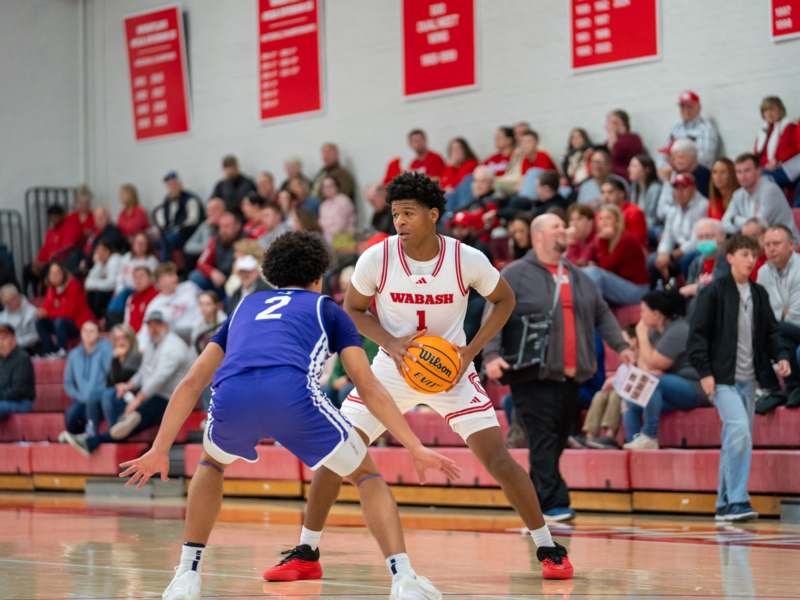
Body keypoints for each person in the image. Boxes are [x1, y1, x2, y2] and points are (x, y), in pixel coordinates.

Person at [119, 231, 463, 600]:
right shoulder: (327, 308)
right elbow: (368, 385)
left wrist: (159, 447)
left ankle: (186, 575)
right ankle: (403, 578)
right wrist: (413, 445)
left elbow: (190, 382)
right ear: (318, 277)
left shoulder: (245, 307)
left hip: (232, 396)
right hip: (291, 395)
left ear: (271, 274)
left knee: (211, 465)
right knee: (365, 476)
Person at [265, 173, 573, 582]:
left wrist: (470, 351)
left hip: (451, 372)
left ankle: (547, 546)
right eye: (395, 214)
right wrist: (390, 343)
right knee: (336, 452)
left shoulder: (466, 258)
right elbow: (354, 310)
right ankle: (307, 550)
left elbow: (504, 300)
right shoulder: (378, 257)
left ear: (432, 215)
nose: (400, 221)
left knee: (498, 458)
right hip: (392, 372)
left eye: (409, 213)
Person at [483, 213, 634, 522]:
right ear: (539, 236)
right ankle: (553, 502)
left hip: (570, 375)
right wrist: (491, 355)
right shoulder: (515, 274)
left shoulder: (579, 276)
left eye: (565, 226)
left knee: (560, 434)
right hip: (531, 372)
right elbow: (494, 314)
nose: (565, 230)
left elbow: (602, 313)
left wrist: (621, 346)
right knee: (543, 437)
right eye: (557, 226)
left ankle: (535, 501)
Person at [688, 234, 791, 521]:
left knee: (735, 437)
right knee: (740, 432)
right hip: (722, 380)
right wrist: (705, 373)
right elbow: (696, 337)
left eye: (752, 255)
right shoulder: (714, 292)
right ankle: (737, 500)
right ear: (730, 257)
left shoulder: (759, 294)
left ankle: (723, 503)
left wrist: (782, 356)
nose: (750, 260)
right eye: (744, 254)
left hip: (749, 381)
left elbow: (772, 332)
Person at [66, 311, 193, 456]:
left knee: (138, 412)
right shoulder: (155, 343)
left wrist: (138, 399)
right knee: (104, 400)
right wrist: (129, 385)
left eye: (157, 324)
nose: (153, 329)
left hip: (173, 397)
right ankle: (105, 432)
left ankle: (97, 438)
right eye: (150, 325)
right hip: (157, 395)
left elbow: (159, 378)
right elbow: (143, 372)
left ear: (166, 325)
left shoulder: (173, 346)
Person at [623, 290, 708, 449]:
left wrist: (641, 335)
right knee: (632, 399)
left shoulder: (679, 330)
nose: (641, 316)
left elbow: (654, 364)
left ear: (656, 314)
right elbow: (645, 367)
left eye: (643, 311)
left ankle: (649, 436)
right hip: (672, 386)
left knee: (652, 382)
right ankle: (634, 441)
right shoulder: (656, 332)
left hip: (695, 386)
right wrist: (646, 349)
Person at [757, 224, 800, 408]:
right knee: (755, 333)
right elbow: (762, 312)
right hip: (782, 330)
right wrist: (779, 315)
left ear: (791, 245)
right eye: (767, 245)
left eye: (776, 243)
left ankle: (792, 386)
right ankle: (774, 390)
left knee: (772, 329)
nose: (771, 249)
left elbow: (796, 313)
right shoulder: (763, 272)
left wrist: (775, 318)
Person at [583, 204, 649, 306]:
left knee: (594, 273)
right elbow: (585, 258)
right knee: (586, 272)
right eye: (600, 218)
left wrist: (601, 241)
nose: (603, 222)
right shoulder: (604, 239)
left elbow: (606, 267)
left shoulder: (625, 239)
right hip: (622, 285)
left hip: (637, 290)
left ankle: (594, 315)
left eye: (608, 218)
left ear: (618, 222)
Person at [721, 153, 799, 238]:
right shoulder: (738, 194)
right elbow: (724, 224)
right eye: (739, 172)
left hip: (786, 244)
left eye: (747, 171)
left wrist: (735, 219)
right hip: (759, 242)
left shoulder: (770, 191)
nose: (742, 176)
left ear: (759, 171)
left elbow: (756, 227)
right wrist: (746, 225)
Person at [652, 173, 708, 284]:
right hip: (676, 250)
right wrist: (663, 254)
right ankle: (663, 292)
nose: (679, 192)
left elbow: (696, 241)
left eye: (683, 187)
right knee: (652, 260)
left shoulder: (703, 206)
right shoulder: (674, 208)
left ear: (693, 189)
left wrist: (671, 256)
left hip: (696, 249)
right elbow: (667, 236)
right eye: (676, 188)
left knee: (688, 259)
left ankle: (686, 295)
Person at [61, 321, 112, 439]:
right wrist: (80, 396)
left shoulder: (106, 349)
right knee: (71, 415)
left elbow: (111, 376)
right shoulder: (74, 354)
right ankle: (78, 440)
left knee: (89, 410)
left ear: (98, 334)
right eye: (85, 331)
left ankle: (90, 439)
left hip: (99, 399)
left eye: (92, 331)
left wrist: (95, 394)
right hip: (81, 399)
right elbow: (68, 383)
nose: (88, 334)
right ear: (81, 333)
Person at [35, 262, 94, 356]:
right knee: (39, 322)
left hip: (78, 324)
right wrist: (41, 312)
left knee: (59, 321)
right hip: (60, 324)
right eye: (51, 273)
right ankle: (49, 351)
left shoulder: (73, 285)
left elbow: (69, 312)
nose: (54, 275)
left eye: (57, 272)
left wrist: (47, 313)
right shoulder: (51, 289)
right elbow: (46, 307)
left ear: (64, 273)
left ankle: (62, 350)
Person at [24, 204, 82, 292]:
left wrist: (45, 263)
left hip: (61, 261)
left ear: (62, 215)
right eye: (51, 217)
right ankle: (32, 295)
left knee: (46, 270)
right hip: (47, 261)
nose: (53, 219)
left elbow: (67, 247)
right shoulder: (50, 231)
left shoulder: (70, 226)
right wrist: (38, 261)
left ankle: (45, 296)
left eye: (56, 216)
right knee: (27, 269)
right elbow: (45, 248)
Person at [659, 90, 721, 171]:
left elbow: (705, 159)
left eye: (689, 106)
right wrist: (663, 168)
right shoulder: (676, 128)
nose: (685, 110)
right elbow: (662, 155)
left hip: (697, 175)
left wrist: (676, 164)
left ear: (699, 107)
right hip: (675, 173)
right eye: (682, 106)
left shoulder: (706, 129)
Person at [107, 232, 159, 324]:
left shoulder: (152, 261)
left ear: (147, 245)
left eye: (143, 243)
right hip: (125, 291)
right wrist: (119, 291)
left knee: (124, 294)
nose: (140, 246)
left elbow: (154, 280)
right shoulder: (126, 258)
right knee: (121, 293)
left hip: (143, 291)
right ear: (133, 244)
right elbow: (120, 278)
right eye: (138, 243)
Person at [153, 171, 204, 261]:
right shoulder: (167, 201)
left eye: (174, 185)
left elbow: (193, 221)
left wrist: (177, 228)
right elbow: (163, 218)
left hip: (186, 233)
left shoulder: (190, 199)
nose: (171, 188)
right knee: (153, 242)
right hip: (170, 232)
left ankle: (165, 266)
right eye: (169, 186)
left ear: (180, 185)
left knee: (166, 240)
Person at [189, 212, 242, 296]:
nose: (223, 231)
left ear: (237, 226)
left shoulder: (246, 240)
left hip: (238, 280)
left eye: (227, 226)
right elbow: (201, 262)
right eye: (221, 227)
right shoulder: (215, 241)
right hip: (220, 280)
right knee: (195, 276)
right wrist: (212, 272)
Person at [146, 263, 202, 343]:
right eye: (170, 275)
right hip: (175, 340)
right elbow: (148, 332)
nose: (176, 277)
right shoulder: (154, 305)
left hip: (201, 331)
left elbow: (208, 301)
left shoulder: (190, 287)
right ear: (160, 280)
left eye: (175, 274)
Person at [101, 324, 142, 429]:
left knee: (107, 394)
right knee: (93, 398)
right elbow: (109, 382)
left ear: (131, 338)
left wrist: (115, 359)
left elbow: (121, 379)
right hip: (120, 396)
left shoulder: (137, 356)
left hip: (134, 397)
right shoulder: (119, 357)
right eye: (117, 338)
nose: (121, 341)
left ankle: (114, 431)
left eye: (124, 337)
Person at [754, 97, 799, 188]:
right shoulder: (764, 130)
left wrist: (777, 161)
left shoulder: (789, 126)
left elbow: (793, 149)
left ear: (780, 110)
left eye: (772, 109)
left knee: (753, 179)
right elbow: (757, 153)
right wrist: (764, 164)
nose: (769, 113)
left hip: (785, 168)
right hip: (767, 167)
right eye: (765, 110)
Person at [680, 218, 729, 301]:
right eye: (700, 237)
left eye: (708, 236)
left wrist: (697, 288)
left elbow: (721, 287)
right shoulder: (695, 263)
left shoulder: (729, 260)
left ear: (722, 237)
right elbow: (688, 291)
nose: (704, 240)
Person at [600, 175, 647, 247]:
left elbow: (636, 243)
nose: (605, 197)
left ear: (621, 194)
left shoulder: (634, 212)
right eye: (603, 193)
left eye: (610, 192)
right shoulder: (600, 214)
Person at [0, 324, 35, 420]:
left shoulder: (22, 358)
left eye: (3, 339)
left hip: (21, 402)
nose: (0, 343)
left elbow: (18, 391)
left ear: (14, 340)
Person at [85, 240, 123, 319]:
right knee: (91, 293)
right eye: (97, 251)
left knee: (98, 293)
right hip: (109, 292)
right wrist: (98, 264)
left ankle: (98, 318)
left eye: (101, 251)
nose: (99, 254)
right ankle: (92, 318)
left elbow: (111, 284)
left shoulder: (114, 259)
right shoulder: (101, 262)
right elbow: (87, 283)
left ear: (108, 251)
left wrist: (94, 284)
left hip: (118, 292)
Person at [605, 109, 645, 179]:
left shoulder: (633, 138)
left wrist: (612, 134)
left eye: (614, 123)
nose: (610, 125)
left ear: (623, 124)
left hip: (626, 177)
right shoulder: (607, 142)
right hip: (610, 178)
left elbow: (617, 152)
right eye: (608, 122)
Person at [628, 153, 662, 233]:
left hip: (652, 227)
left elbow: (652, 217)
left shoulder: (655, 188)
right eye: (630, 166)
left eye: (634, 166)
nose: (629, 169)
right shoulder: (634, 186)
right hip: (639, 224)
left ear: (647, 169)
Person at [318, 176, 356, 245]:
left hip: (344, 241)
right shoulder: (323, 205)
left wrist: (326, 225)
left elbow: (339, 227)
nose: (327, 189)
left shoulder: (343, 200)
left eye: (330, 186)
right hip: (328, 241)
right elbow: (320, 223)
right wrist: (328, 224)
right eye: (324, 187)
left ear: (337, 186)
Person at [0, 284, 39, 351]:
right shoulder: (2, 316)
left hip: (28, 349)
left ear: (18, 297)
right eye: (5, 302)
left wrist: (15, 342)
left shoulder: (32, 312)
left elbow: (36, 335)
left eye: (10, 301)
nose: (8, 305)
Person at [124, 266, 160, 333]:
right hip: (133, 339)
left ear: (150, 278)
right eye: (135, 277)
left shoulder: (157, 296)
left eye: (141, 276)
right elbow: (127, 322)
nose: (138, 280)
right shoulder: (131, 298)